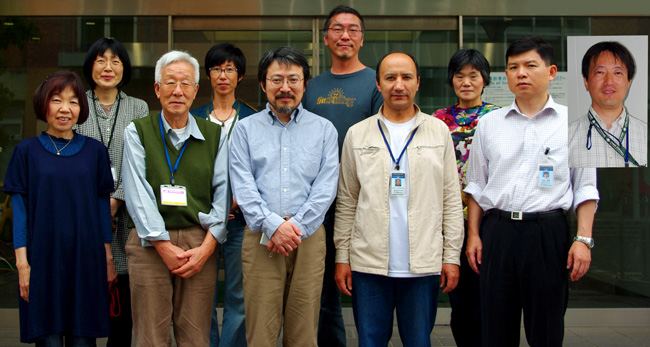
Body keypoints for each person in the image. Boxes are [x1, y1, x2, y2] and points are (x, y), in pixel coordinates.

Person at [464, 36, 600, 346]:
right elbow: (476, 186)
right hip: (497, 232)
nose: (521, 73)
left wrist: (583, 240)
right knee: (496, 328)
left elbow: (586, 187)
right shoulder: (489, 124)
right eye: (513, 67)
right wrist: (474, 234)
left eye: (530, 65)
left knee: (547, 327)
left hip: (546, 232)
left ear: (551, 72)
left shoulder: (577, 123)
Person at [334, 51, 463, 347]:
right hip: (369, 264)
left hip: (423, 263)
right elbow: (347, 201)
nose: (398, 85)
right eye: (390, 78)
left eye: (406, 77)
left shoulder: (438, 131)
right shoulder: (357, 135)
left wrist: (451, 256)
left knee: (419, 341)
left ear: (417, 83)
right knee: (370, 341)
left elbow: (450, 199)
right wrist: (343, 256)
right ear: (378, 85)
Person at [229, 46, 339, 346]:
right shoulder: (244, 130)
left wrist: (296, 226)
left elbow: (326, 188)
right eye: (276, 80)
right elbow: (243, 185)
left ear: (305, 84)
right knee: (260, 333)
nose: (285, 88)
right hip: (261, 236)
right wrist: (274, 225)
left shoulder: (325, 130)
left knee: (303, 333)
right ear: (264, 84)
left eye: (293, 79)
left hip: (309, 236)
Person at [122, 50, 229, 346]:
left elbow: (223, 193)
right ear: (157, 89)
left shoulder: (215, 135)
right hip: (149, 245)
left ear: (196, 91)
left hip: (199, 244)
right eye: (170, 83)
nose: (178, 91)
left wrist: (208, 248)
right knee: (150, 337)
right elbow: (136, 191)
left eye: (186, 84)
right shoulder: (138, 131)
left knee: (195, 336)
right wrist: (162, 244)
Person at [4, 70, 115, 346]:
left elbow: (102, 208)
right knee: (49, 339)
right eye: (57, 100)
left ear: (82, 108)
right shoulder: (26, 151)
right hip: (42, 261)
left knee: (82, 341)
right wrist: (22, 264)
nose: (65, 109)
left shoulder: (95, 151)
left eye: (74, 101)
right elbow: (20, 211)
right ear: (44, 104)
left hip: (85, 260)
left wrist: (108, 258)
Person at [302, 6, 382, 345]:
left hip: (364, 201)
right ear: (325, 38)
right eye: (337, 29)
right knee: (323, 293)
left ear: (362, 38)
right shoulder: (311, 86)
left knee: (365, 285)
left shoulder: (377, 82)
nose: (344, 35)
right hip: (318, 205)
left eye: (352, 29)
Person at [74, 37, 149, 346]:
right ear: (90, 65)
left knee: (123, 306)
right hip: (83, 216)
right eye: (101, 60)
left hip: (125, 216)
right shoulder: (76, 104)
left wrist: (117, 197)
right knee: (84, 304)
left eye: (115, 61)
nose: (108, 67)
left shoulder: (138, 107)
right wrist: (96, 201)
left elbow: (141, 161)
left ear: (124, 68)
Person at [191, 42, 256, 347]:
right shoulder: (193, 117)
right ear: (208, 75)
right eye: (216, 68)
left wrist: (239, 198)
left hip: (240, 220)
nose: (222, 75)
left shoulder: (252, 118)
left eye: (229, 69)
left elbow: (261, 168)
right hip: (201, 220)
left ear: (240, 75)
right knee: (202, 292)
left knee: (238, 294)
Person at [433, 48, 500, 347]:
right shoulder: (437, 120)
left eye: (473, 76)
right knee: (462, 299)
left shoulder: (499, 117)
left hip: (492, 220)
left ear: (484, 79)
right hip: (451, 222)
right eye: (459, 76)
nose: (466, 82)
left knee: (492, 298)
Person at [569, 40, 646, 167]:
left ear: (628, 83)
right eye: (600, 72)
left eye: (617, 73)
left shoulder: (645, 135)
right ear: (586, 82)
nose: (609, 81)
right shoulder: (567, 136)